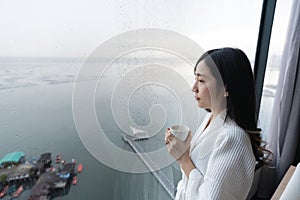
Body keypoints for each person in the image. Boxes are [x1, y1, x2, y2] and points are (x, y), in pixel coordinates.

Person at [165, 47, 271, 200]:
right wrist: (186, 150)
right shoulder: (212, 119)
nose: (193, 88)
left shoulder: (232, 137)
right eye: (195, 79)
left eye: (201, 80)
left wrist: (183, 159)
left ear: (225, 87)